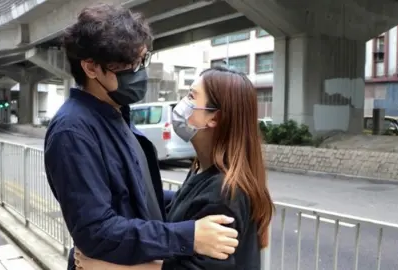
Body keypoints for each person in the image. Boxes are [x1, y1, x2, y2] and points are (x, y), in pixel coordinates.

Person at [44, 4, 239, 270]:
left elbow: (136, 192)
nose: (139, 73)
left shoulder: (116, 113)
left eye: (142, 61)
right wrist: (189, 236)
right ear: (90, 68)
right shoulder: (73, 132)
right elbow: (97, 230)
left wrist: (199, 198)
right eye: (127, 67)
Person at [74, 67, 275, 270]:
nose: (182, 104)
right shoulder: (204, 171)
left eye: (191, 96)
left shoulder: (224, 192)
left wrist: (106, 268)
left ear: (213, 118)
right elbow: (184, 203)